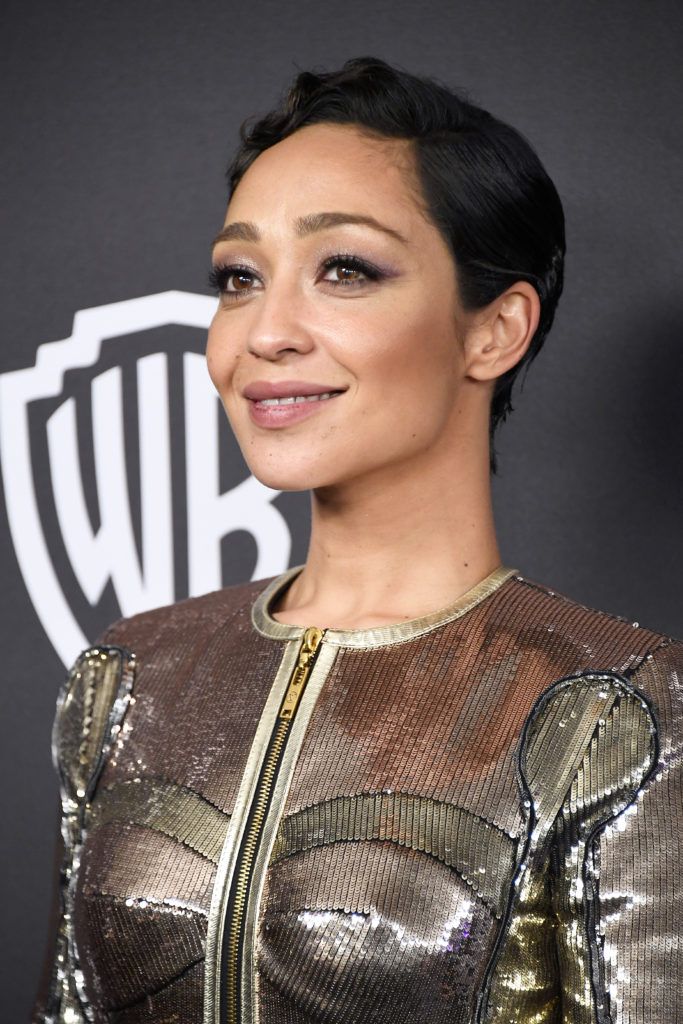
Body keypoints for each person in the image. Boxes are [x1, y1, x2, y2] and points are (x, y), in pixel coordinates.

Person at [34, 57, 682, 1024]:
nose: (265, 332)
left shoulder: (605, 705)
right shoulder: (128, 676)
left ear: (494, 330)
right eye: (239, 278)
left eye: (344, 268)